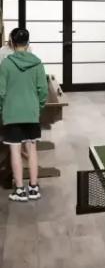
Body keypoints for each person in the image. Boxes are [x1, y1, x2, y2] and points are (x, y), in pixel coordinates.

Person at [0, 28, 48, 202]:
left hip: (12, 113)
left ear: (12, 43)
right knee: (32, 150)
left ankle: (20, 190)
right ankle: (34, 188)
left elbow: (1, 92)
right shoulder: (37, 63)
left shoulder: (6, 64)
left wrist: (2, 110)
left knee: (15, 151)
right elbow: (43, 90)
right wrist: (38, 107)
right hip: (31, 113)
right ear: (27, 43)